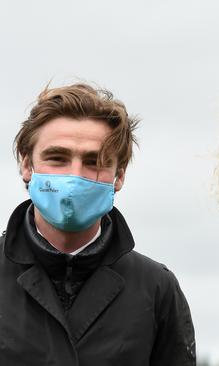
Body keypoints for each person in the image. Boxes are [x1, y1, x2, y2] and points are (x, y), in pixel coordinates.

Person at [0, 83, 196, 365]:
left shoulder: (155, 288)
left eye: (95, 162)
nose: (75, 176)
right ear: (26, 164)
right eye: (58, 158)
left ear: (119, 176)